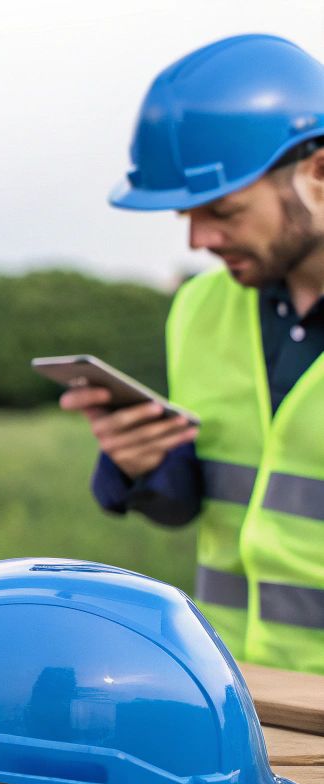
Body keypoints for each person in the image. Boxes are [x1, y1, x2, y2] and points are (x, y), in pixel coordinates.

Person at [67, 34, 324, 672]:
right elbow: (208, 501)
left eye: (222, 211)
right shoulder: (201, 307)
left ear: (318, 175)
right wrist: (145, 466)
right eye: (187, 214)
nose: (199, 237)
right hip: (237, 699)